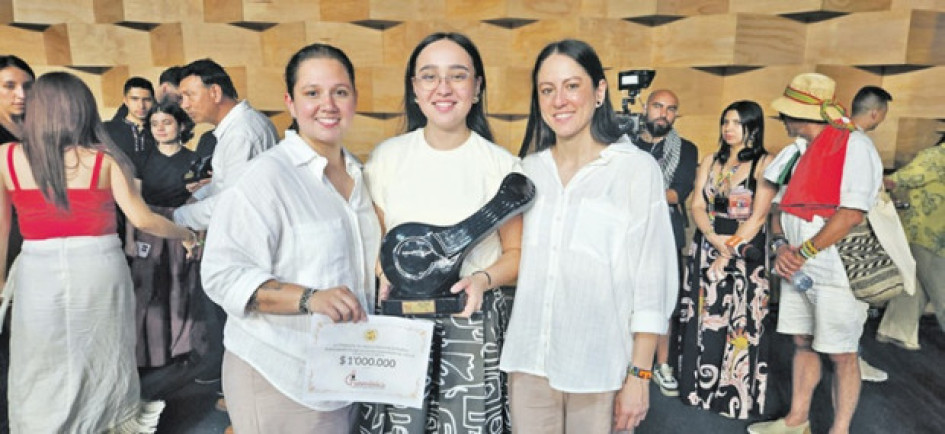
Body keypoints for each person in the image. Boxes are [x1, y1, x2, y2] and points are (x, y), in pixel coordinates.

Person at [0, 71, 198, 432]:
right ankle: (102, 423)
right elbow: (144, 219)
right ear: (82, 110)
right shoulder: (103, 161)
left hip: (37, 269)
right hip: (98, 266)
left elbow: (1, 229)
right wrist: (186, 234)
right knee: (103, 354)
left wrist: (0, 285)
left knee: (38, 358)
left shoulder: (6, 158)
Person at [500, 39, 678, 434]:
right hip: (530, 359)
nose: (559, 100)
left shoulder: (634, 170)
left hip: (600, 367)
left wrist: (640, 375)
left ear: (599, 92)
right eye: (547, 90)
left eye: (572, 86)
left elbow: (651, 282)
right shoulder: (528, 172)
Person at [201, 43, 379, 434]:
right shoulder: (266, 177)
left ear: (354, 100)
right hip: (281, 373)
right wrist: (309, 297)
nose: (327, 104)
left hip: (343, 373)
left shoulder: (361, 176)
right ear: (291, 103)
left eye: (340, 92)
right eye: (312, 93)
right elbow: (222, 274)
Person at [357, 32, 522, 433]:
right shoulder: (387, 158)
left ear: (478, 87)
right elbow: (376, 244)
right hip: (400, 323)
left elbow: (518, 255)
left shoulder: (501, 165)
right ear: (414, 89)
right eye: (429, 76)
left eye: (458, 76)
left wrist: (482, 280)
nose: (443, 89)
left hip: (471, 323)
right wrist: (383, 274)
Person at [748, 73, 883, 434]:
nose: (783, 120)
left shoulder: (855, 146)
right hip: (794, 259)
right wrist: (780, 247)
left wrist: (804, 251)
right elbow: (777, 208)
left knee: (841, 353)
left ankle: (839, 430)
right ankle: (797, 420)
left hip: (834, 264)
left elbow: (852, 213)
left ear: (797, 115)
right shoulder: (793, 153)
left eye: (786, 113)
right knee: (802, 341)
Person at [675, 100, 775, 419]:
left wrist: (728, 249)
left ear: (752, 128)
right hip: (708, 245)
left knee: (739, 321)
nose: (728, 129)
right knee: (703, 318)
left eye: (735, 123)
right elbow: (697, 206)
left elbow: (758, 216)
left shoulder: (764, 162)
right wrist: (714, 241)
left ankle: (732, 397)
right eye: (725, 122)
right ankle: (698, 390)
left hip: (745, 251)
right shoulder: (710, 160)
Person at [129, 101, 205, 368]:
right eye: (155, 124)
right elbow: (134, 201)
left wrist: (195, 238)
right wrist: (131, 239)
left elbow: (200, 203)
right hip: (147, 227)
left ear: (181, 125)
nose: (160, 128)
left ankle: (180, 350)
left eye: (167, 122)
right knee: (147, 290)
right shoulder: (141, 160)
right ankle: (148, 353)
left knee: (181, 287)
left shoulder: (194, 159)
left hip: (182, 228)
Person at [635, 89, 699, 397]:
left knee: (662, 301)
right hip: (626, 233)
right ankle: (628, 363)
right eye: (658, 106)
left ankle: (661, 364)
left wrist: (633, 196)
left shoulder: (685, 149)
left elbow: (677, 192)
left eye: (671, 108)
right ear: (645, 107)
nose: (663, 113)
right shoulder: (625, 144)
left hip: (664, 231)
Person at [173, 58, 278, 231]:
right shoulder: (244, 124)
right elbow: (226, 183)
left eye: (189, 95)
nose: (184, 105)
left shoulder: (240, 134)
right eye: (181, 98)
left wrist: (179, 216)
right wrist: (198, 197)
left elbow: (232, 204)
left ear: (215, 92)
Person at [877, 133, 945, 350]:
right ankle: (896, 331)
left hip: (926, 233)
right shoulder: (936, 156)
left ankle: (896, 331)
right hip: (931, 236)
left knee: (914, 284)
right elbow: (894, 180)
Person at [848, 85, 894, 383]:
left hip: (835, 232)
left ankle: (851, 357)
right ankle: (853, 361)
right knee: (856, 303)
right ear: (875, 112)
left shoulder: (836, 138)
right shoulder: (861, 144)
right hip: (855, 232)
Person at [0, 53, 33, 434]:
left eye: (27, 85)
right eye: (9, 86)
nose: (21, 94)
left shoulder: (32, 131)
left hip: (33, 246)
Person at [105, 76, 156, 168]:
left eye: (147, 100)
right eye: (135, 99)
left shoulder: (160, 131)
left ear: (153, 101)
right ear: (125, 100)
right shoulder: (107, 130)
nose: (141, 105)